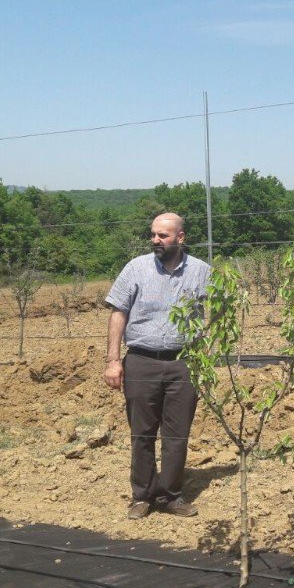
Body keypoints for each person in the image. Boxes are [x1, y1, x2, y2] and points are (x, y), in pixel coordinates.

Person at [103, 212, 210, 520]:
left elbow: (217, 311)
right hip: (141, 361)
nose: (155, 240)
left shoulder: (202, 272)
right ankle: (142, 495)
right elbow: (118, 314)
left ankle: (172, 496)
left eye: (163, 235)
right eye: (153, 235)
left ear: (180, 237)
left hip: (184, 363)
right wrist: (113, 361)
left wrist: (207, 352)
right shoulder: (135, 268)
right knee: (142, 433)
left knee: (177, 435)